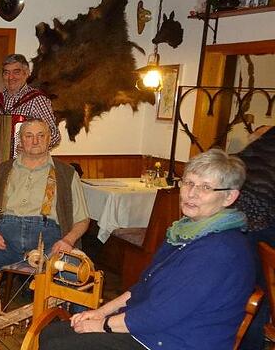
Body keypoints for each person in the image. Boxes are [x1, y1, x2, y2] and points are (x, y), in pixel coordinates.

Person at [40, 148, 255, 350]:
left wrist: (104, 325)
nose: (191, 193)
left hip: (176, 341)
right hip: (154, 328)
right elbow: (144, 285)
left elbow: (164, 312)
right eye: (189, 182)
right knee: (52, 334)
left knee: (60, 344)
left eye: (206, 187)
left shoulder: (220, 250)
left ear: (229, 197)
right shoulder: (185, 232)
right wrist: (100, 312)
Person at [0, 118, 89, 282]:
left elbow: (83, 219)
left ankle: (74, 309)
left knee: (75, 270)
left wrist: (67, 241)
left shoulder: (67, 173)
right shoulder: (2, 170)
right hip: (4, 242)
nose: (35, 141)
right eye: (29, 136)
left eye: (41, 135)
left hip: (49, 244)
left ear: (49, 139)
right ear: (20, 141)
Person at [0, 54, 61, 180]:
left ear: (26, 74)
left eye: (16, 72)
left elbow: (54, 135)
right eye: (6, 73)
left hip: (29, 169)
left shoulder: (37, 100)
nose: (11, 77)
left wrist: (31, 147)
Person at [234, 125, 275, 350]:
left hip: (233, 219)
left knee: (248, 292)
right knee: (259, 293)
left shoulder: (264, 140)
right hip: (258, 223)